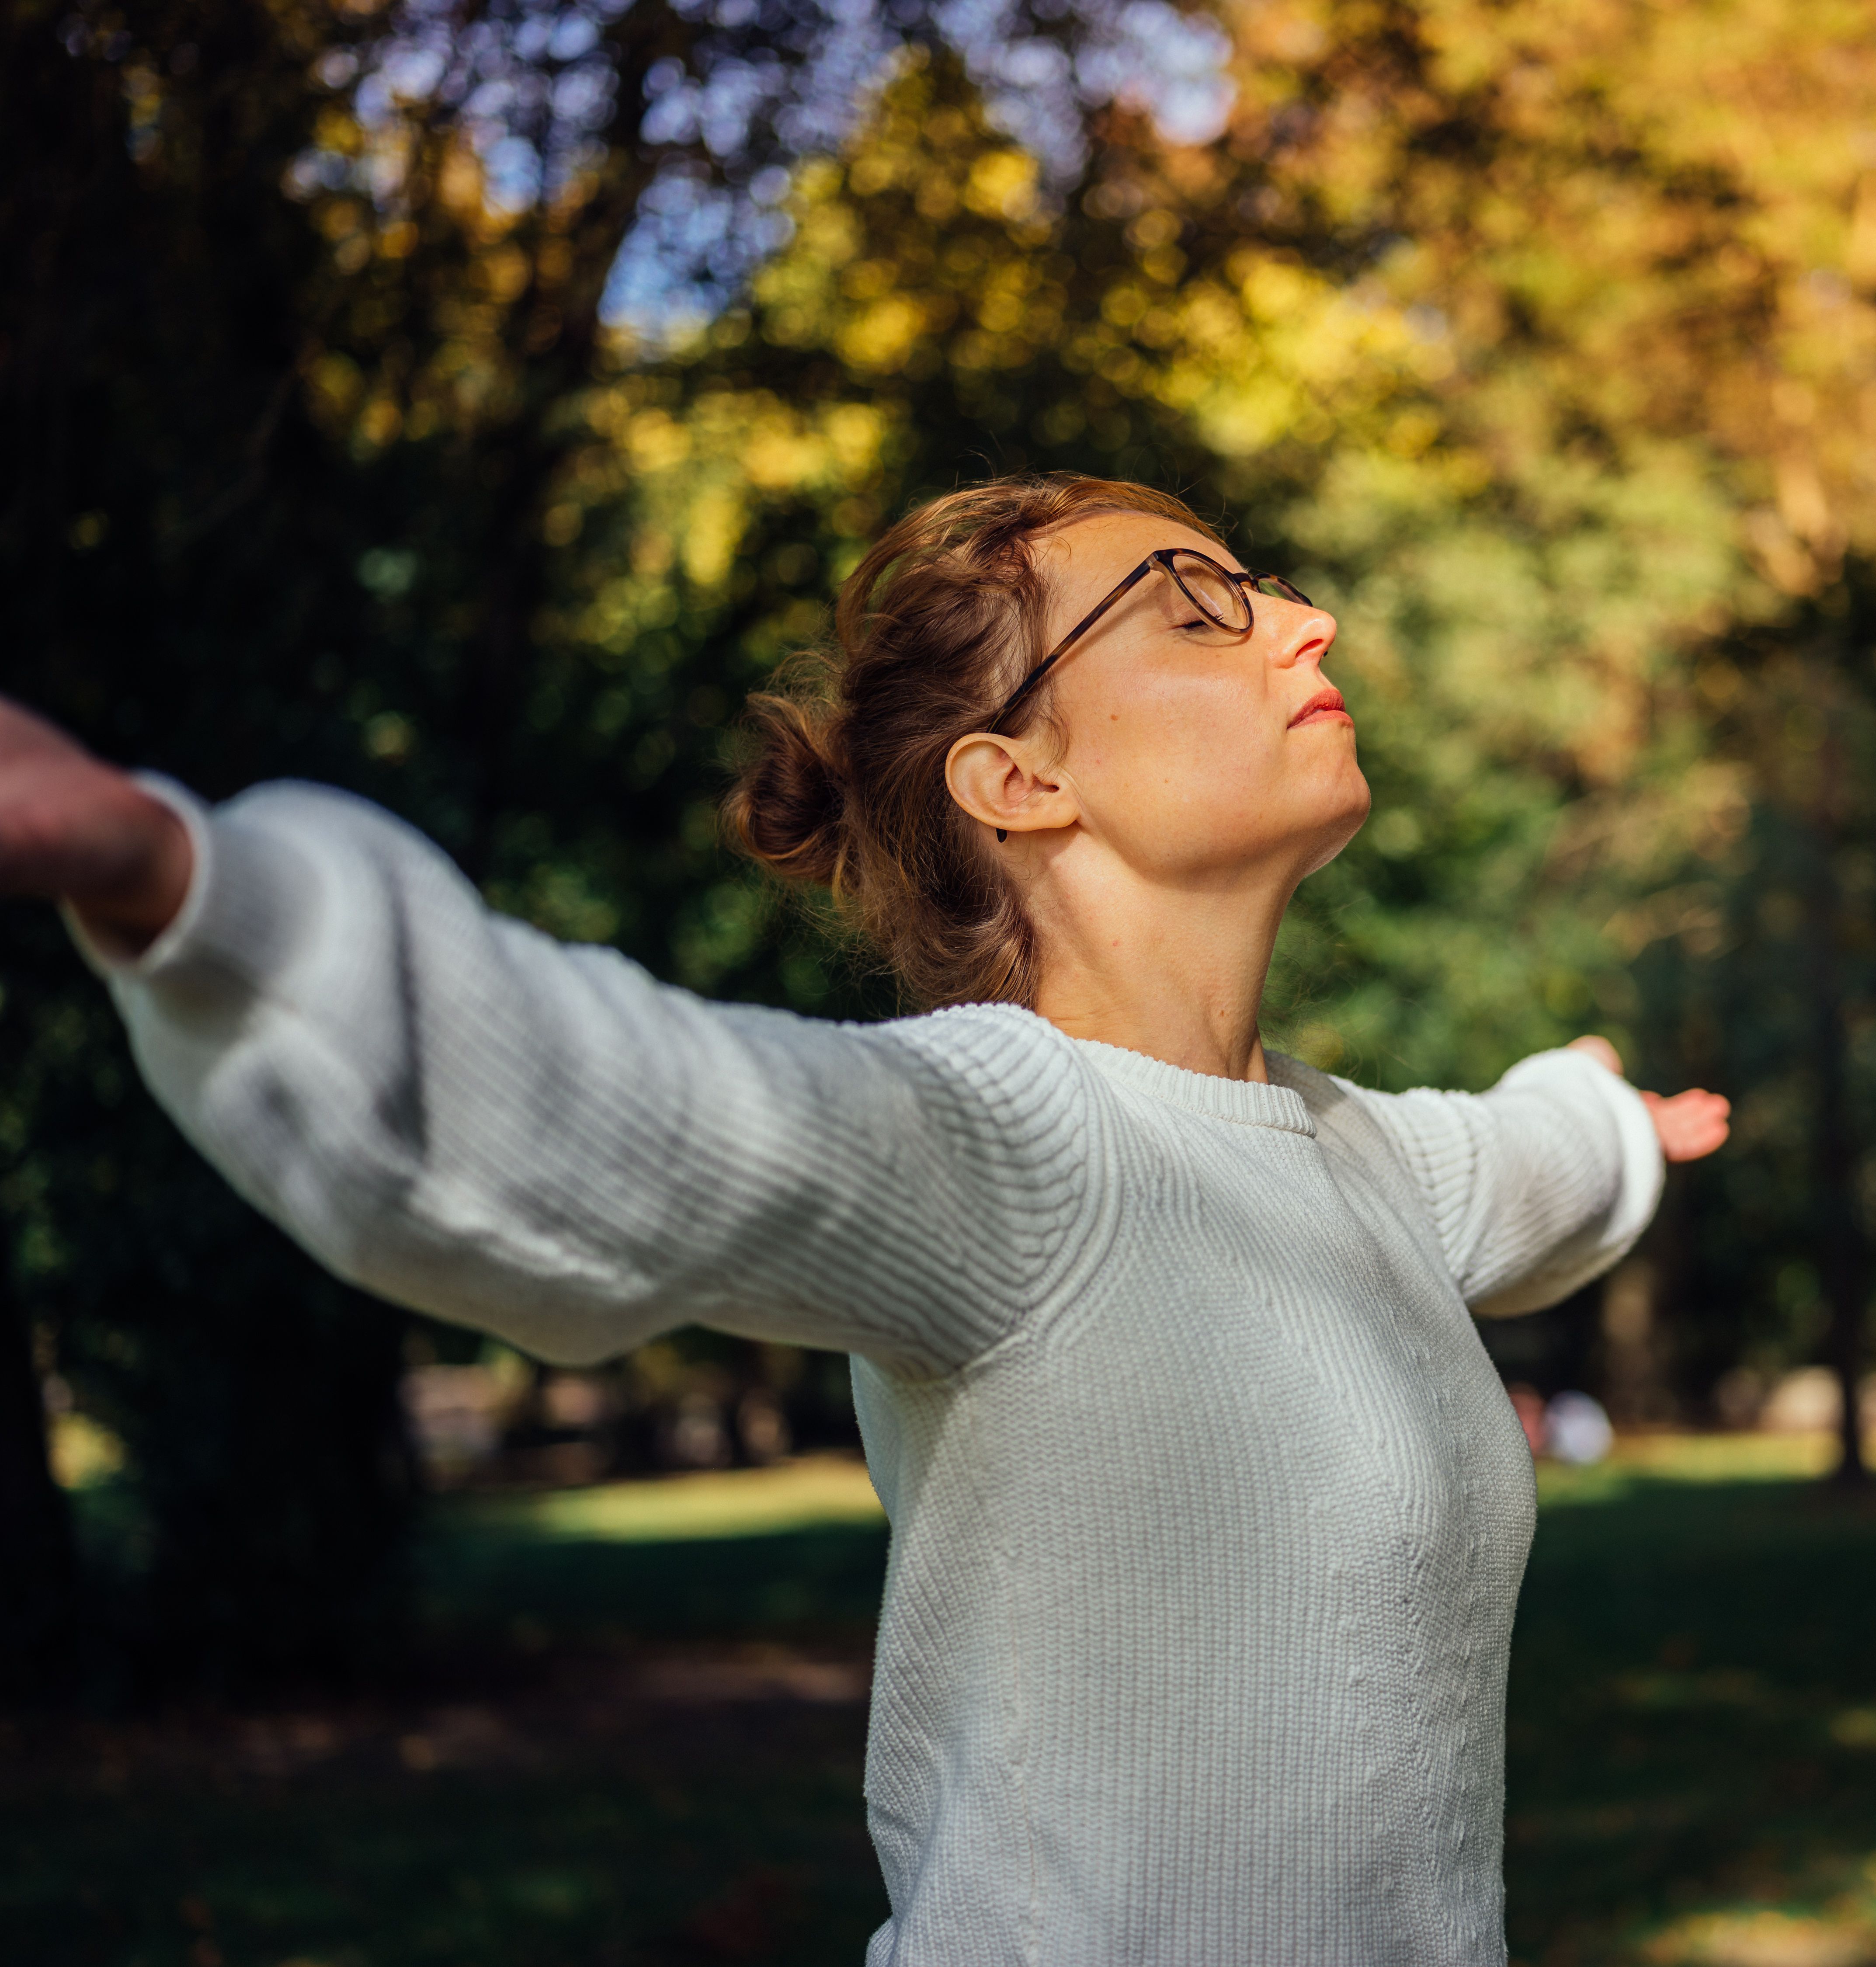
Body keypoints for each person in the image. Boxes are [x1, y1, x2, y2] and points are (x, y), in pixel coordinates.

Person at [0, 474, 1728, 1966]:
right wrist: (178, 883)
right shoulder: (1012, 1142)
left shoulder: (1359, 1160)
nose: (1308, 623)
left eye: (1262, 584)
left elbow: (1524, 1165)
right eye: (1195, 605)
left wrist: (1605, 1121)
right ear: (1017, 779)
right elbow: (611, 1114)